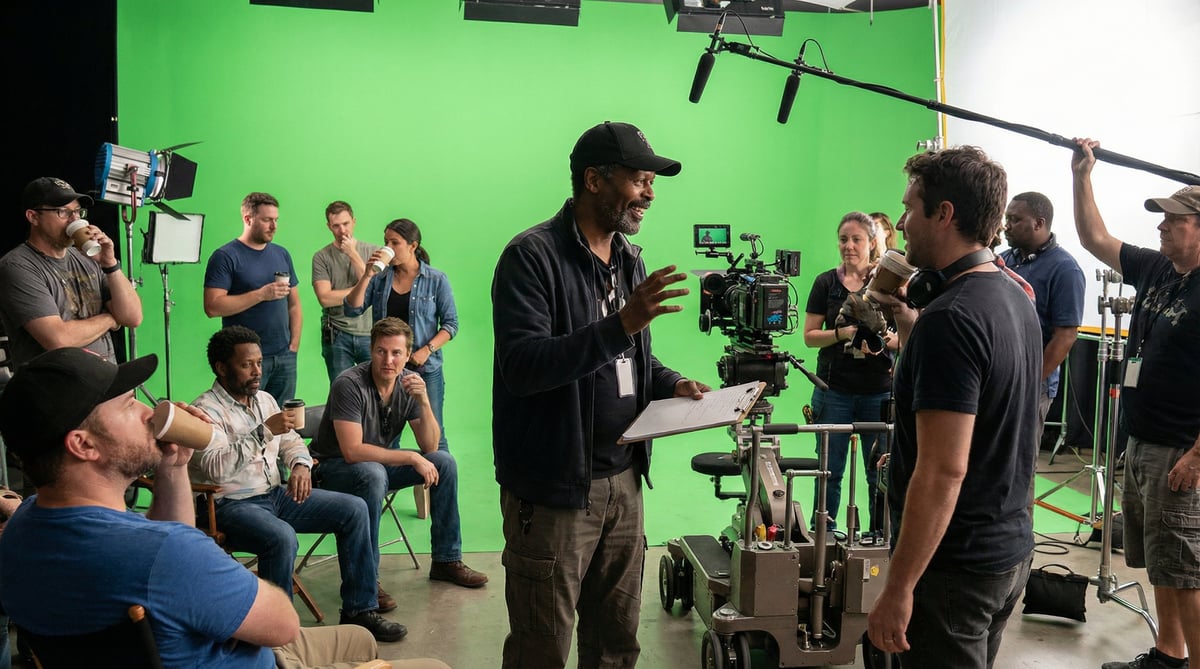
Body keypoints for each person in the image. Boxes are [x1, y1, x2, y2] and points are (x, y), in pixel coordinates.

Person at [0, 348, 450, 669]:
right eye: (126, 404)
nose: (147, 410)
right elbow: (281, 624)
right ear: (83, 444)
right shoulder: (163, 553)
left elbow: (166, 559)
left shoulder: (21, 528)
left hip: (210, 643)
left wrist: (174, 466)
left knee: (359, 636)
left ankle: (360, 607)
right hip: (256, 640)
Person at [491, 120, 709, 669]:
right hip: (554, 493)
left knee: (616, 644)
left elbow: (629, 361)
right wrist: (622, 323)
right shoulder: (531, 257)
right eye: (639, 180)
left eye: (651, 182)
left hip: (625, 482)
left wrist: (672, 383)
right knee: (541, 648)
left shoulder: (629, 260)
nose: (650, 193)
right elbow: (523, 366)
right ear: (594, 180)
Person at [865, 145, 1040, 669]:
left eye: (910, 208)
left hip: (953, 571)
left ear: (943, 214)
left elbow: (943, 471)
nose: (900, 222)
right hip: (1007, 551)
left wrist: (898, 587)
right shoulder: (1014, 297)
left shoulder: (952, 318)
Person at [190, 325, 406, 642]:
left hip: (275, 494)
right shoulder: (204, 410)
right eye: (246, 364)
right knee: (281, 537)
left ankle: (359, 611)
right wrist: (264, 432)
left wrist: (301, 466)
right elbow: (216, 468)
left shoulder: (264, 400)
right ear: (222, 368)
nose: (257, 371)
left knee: (354, 509)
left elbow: (292, 441)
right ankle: (280, 635)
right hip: (230, 505)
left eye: (259, 363)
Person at [1072, 138, 1199, 669]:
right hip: (1142, 441)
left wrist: (1197, 455)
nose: (1161, 227)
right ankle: (1169, 654)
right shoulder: (1155, 270)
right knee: (1161, 564)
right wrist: (1083, 174)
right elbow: (1094, 237)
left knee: (1187, 570)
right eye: (1161, 220)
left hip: (1180, 451)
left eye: (1173, 220)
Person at [311, 317, 487, 591]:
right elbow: (353, 451)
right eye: (381, 351)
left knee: (444, 462)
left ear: (407, 355)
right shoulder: (349, 384)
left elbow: (430, 446)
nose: (388, 360)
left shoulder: (408, 384)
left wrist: (424, 402)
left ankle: (446, 560)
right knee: (372, 473)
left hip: (377, 469)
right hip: (331, 469)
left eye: (396, 353)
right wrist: (411, 457)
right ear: (371, 351)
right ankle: (368, 581)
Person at [802, 211, 896, 539]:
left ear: (872, 243)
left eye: (856, 239)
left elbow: (904, 335)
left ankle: (877, 536)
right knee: (828, 470)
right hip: (833, 390)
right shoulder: (825, 283)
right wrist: (843, 334)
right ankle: (823, 536)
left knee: (879, 471)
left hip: (879, 392)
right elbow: (810, 336)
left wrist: (881, 341)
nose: (849, 246)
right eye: (844, 239)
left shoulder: (889, 284)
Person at [0, 177, 142, 367]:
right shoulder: (17, 266)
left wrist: (110, 264)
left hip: (105, 381)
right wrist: (109, 318)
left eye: (77, 211)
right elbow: (59, 340)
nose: (74, 220)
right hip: (56, 389)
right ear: (33, 217)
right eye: (63, 212)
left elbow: (132, 317)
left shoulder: (88, 258)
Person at [347, 219, 457, 452]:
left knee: (434, 437)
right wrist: (367, 274)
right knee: (385, 437)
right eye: (386, 241)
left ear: (412, 246)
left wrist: (426, 350)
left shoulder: (436, 280)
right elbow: (353, 308)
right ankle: (385, 484)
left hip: (425, 369)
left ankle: (438, 482)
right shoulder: (380, 278)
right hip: (388, 370)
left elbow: (451, 325)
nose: (388, 246)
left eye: (394, 242)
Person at [999, 192, 1086, 435]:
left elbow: (1065, 336)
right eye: (1007, 218)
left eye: (1015, 219)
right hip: (998, 375)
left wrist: (1030, 381)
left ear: (1039, 223)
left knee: (1019, 462)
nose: (1007, 226)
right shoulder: (1003, 260)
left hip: (1031, 385)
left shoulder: (1065, 269)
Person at [204, 192, 302, 404]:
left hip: (284, 356)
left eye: (276, 220)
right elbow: (213, 306)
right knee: (245, 417)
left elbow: (294, 304)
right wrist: (261, 294)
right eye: (267, 220)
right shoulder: (225, 257)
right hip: (245, 361)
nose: (274, 226)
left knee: (282, 420)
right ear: (248, 219)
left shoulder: (282, 254)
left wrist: (293, 345)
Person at [312, 201, 381, 381]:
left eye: (346, 224)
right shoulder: (321, 257)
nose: (342, 230)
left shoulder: (374, 251)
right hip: (337, 333)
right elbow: (325, 298)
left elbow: (376, 291)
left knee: (378, 391)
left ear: (354, 221)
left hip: (371, 332)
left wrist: (352, 253)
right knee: (341, 391)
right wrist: (362, 290)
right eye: (336, 225)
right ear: (329, 227)